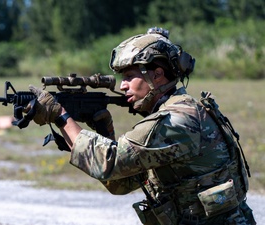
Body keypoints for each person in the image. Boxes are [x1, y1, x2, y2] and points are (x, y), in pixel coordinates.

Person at [25, 27, 256, 224]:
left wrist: (60, 116)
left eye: (129, 76)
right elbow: (121, 183)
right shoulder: (184, 109)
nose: (123, 86)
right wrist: (105, 132)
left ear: (157, 75)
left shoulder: (176, 120)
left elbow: (111, 163)